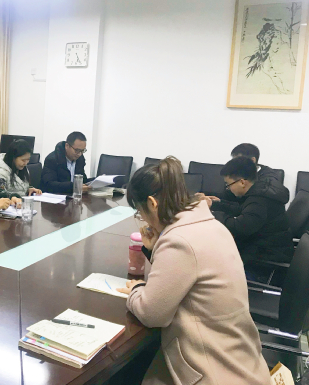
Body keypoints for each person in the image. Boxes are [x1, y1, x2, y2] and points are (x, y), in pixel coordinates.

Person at [116, 157, 271, 385]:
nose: (143, 219)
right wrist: (155, 247)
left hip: (213, 369)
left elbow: (152, 314)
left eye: (140, 212)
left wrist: (137, 288)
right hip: (239, 356)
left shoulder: (179, 240)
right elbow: (183, 275)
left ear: (152, 203)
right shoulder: (211, 225)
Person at [207, 156, 292, 265]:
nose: (228, 188)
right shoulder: (260, 190)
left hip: (266, 259)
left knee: (214, 256)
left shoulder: (259, 200)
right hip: (262, 247)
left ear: (242, 182)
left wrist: (212, 215)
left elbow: (240, 227)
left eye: (228, 185)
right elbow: (242, 209)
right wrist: (215, 204)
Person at [201, 143, 289, 203]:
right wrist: (206, 196)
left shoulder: (268, 178)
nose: (234, 164)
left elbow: (282, 196)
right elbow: (229, 196)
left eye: (239, 160)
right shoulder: (237, 174)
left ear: (253, 160)